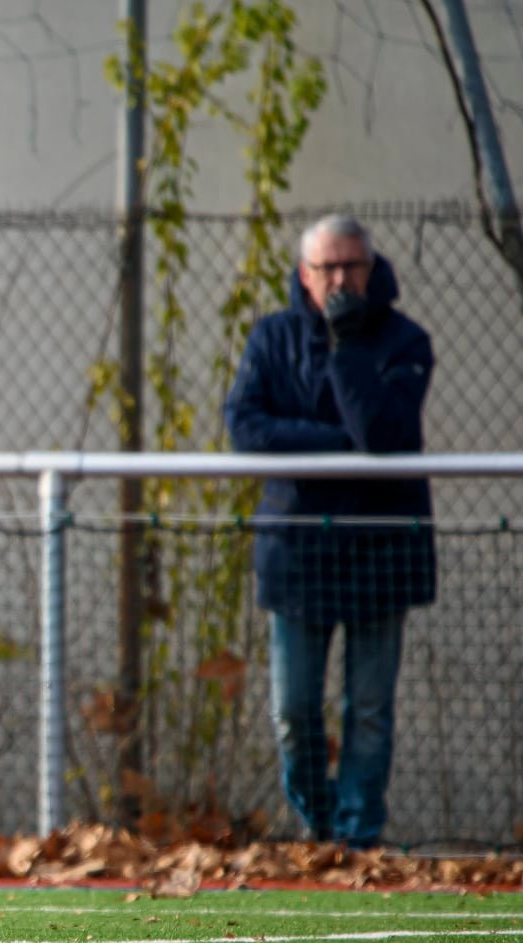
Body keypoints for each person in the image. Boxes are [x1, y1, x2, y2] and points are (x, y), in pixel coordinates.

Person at [223, 213, 436, 849]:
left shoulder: (405, 342)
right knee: (294, 714)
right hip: (296, 552)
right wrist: (336, 446)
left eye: (353, 266)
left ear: (372, 272)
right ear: (304, 275)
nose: (341, 279)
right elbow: (246, 428)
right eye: (328, 268)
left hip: (383, 548)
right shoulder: (272, 338)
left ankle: (358, 838)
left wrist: (348, 350)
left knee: (368, 712)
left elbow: (381, 435)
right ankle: (319, 830)